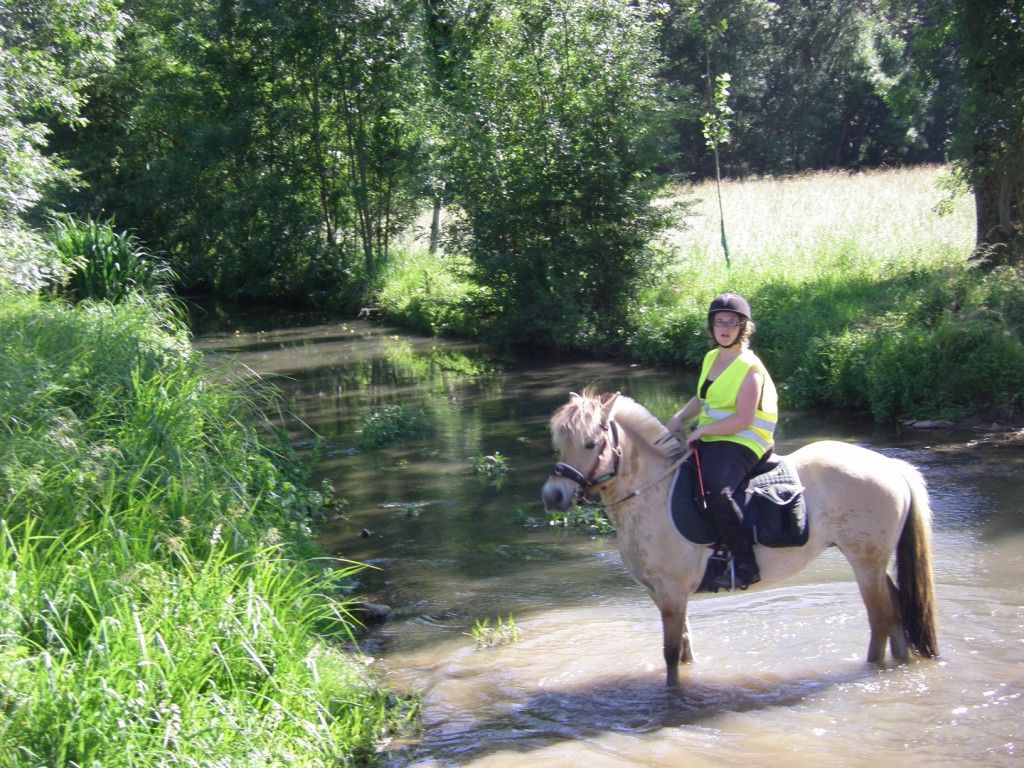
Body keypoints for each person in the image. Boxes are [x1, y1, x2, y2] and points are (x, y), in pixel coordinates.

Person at [666, 293, 778, 589]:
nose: (725, 328)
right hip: (716, 435)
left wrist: (701, 432)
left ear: (743, 327)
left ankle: (745, 564)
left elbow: (743, 419)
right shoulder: (711, 358)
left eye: (732, 322)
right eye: (720, 322)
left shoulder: (750, 367)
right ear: (712, 326)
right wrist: (679, 417)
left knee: (718, 491)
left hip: (746, 439)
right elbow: (702, 398)